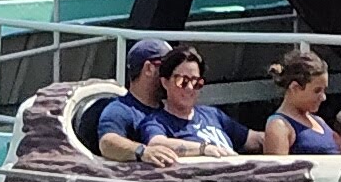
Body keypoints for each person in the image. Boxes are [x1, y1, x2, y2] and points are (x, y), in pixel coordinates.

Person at [92, 39, 244, 168]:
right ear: (149, 68)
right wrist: (143, 152)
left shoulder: (177, 110)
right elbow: (107, 143)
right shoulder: (120, 110)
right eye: (167, 65)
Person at [252, 47, 339, 155]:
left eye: (324, 90)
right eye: (317, 91)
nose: (323, 97)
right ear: (295, 88)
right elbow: (277, 170)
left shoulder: (319, 121)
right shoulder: (279, 126)